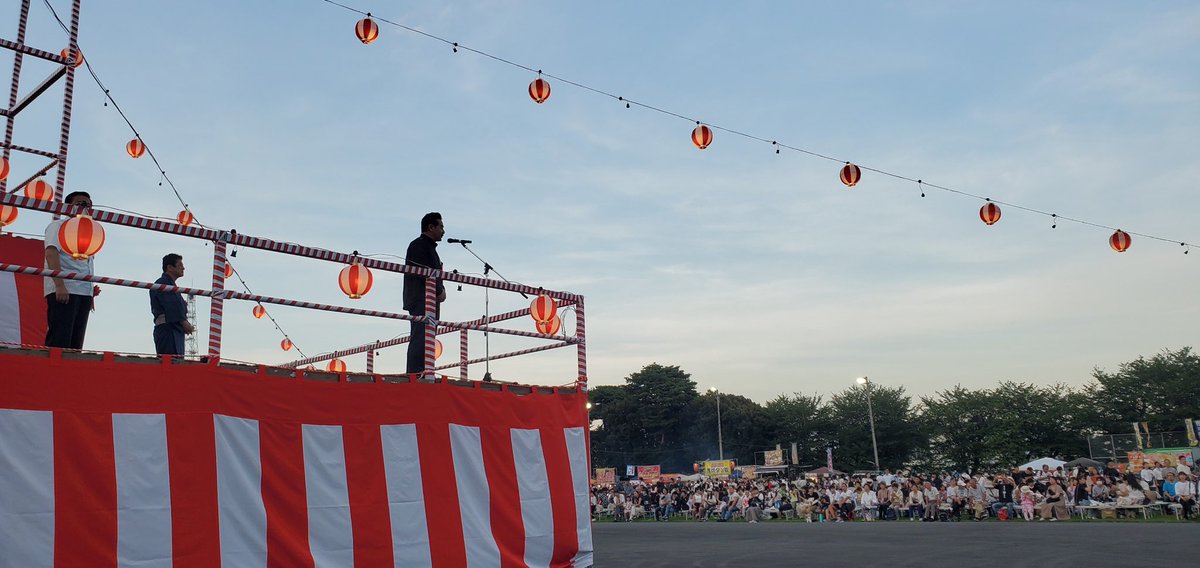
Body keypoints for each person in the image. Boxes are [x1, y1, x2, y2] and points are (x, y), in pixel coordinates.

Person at [44, 191, 97, 349]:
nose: (85, 208)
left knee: (76, 342)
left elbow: (87, 265)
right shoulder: (58, 226)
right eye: (80, 204)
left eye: (88, 205)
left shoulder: (91, 232)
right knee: (60, 338)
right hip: (65, 288)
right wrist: (59, 285)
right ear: (68, 207)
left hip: (84, 291)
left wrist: (90, 291)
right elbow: (51, 253)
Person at [403, 212, 447, 378]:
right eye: (440, 227)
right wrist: (439, 290)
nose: (443, 231)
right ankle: (416, 373)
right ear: (431, 227)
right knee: (420, 336)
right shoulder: (418, 245)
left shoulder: (427, 247)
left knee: (427, 335)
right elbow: (422, 272)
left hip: (427, 299)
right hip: (420, 298)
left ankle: (424, 371)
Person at [149, 253, 194, 355]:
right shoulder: (163, 283)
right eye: (180, 265)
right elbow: (172, 305)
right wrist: (183, 321)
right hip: (168, 329)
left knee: (174, 360)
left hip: (173, 329)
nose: (183, 268)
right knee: (170, 361)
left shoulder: (169, 285)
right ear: (169, 267)